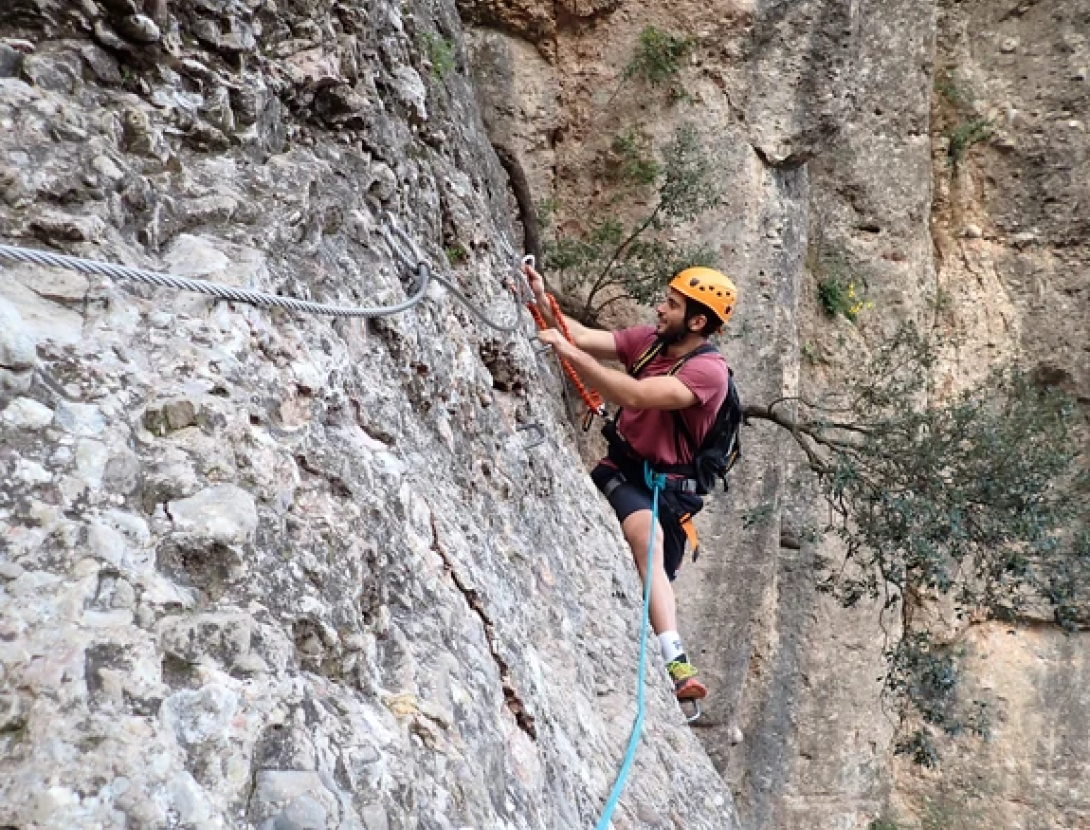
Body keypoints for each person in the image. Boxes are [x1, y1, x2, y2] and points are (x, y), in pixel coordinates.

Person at [525, 263, 737, 702]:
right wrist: (542, 299)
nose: (660, 309)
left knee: (655, 542)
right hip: (624, 472)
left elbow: (637, 395)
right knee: (647, 536)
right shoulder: (649, 342)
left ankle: (675, 661)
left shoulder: (709, 374)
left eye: (672, 305)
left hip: (670, 492)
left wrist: (570, 354)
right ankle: (677, 660)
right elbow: (581, 335)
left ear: (697, 322)